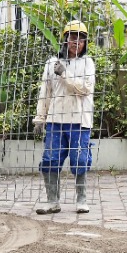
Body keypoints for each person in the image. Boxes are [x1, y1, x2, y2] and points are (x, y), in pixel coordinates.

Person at [33, 19, 96, 215]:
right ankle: (53, 202)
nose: (76, 42)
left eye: (81, 39)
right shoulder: (52, 63)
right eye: (72, 37)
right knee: (50, 160)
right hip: (55, 121)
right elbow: (46, 92)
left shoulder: (88, 63)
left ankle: (81, 200)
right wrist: (39, 119)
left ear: (85, 43)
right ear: (65, 39)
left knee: (79, 160)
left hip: (79, 121)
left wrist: (65, 74)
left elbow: (85, 89)